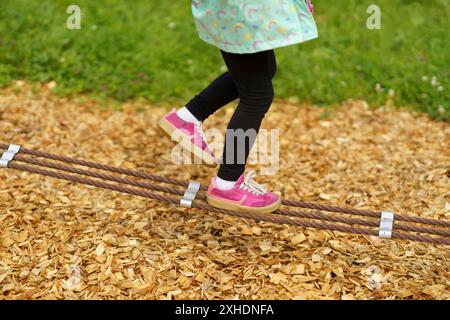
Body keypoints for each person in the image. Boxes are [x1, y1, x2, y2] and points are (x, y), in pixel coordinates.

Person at [159, 0, 318, 214]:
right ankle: (227, 183)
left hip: (233, 9)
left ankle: (188, 116)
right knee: (257, 94)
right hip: (239, 9)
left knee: (262, 72)